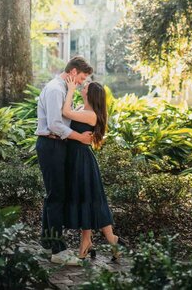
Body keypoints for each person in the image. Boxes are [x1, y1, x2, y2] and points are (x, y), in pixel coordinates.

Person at [35, 56, 94, 265]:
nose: (81, 82)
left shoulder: (63, 89)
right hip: (51, 145)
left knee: (54, 194)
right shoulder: (55, 90)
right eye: (81, 77)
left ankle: (48, 242)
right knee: (56, 196)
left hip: (57, 146)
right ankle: (58, 252)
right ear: (73, 72)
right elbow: (54, 124)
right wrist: (79, 137)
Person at [61, 78, 124, 261]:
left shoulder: (90, 115)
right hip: (75, 159)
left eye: (85, 86)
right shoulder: (83, 109)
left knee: (92, 200)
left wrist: (71, 88)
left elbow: (65, 111)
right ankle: (92, 242)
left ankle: (106, 241)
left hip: (82, 161)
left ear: (90, 94)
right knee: (86, 200)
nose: (83, 85)